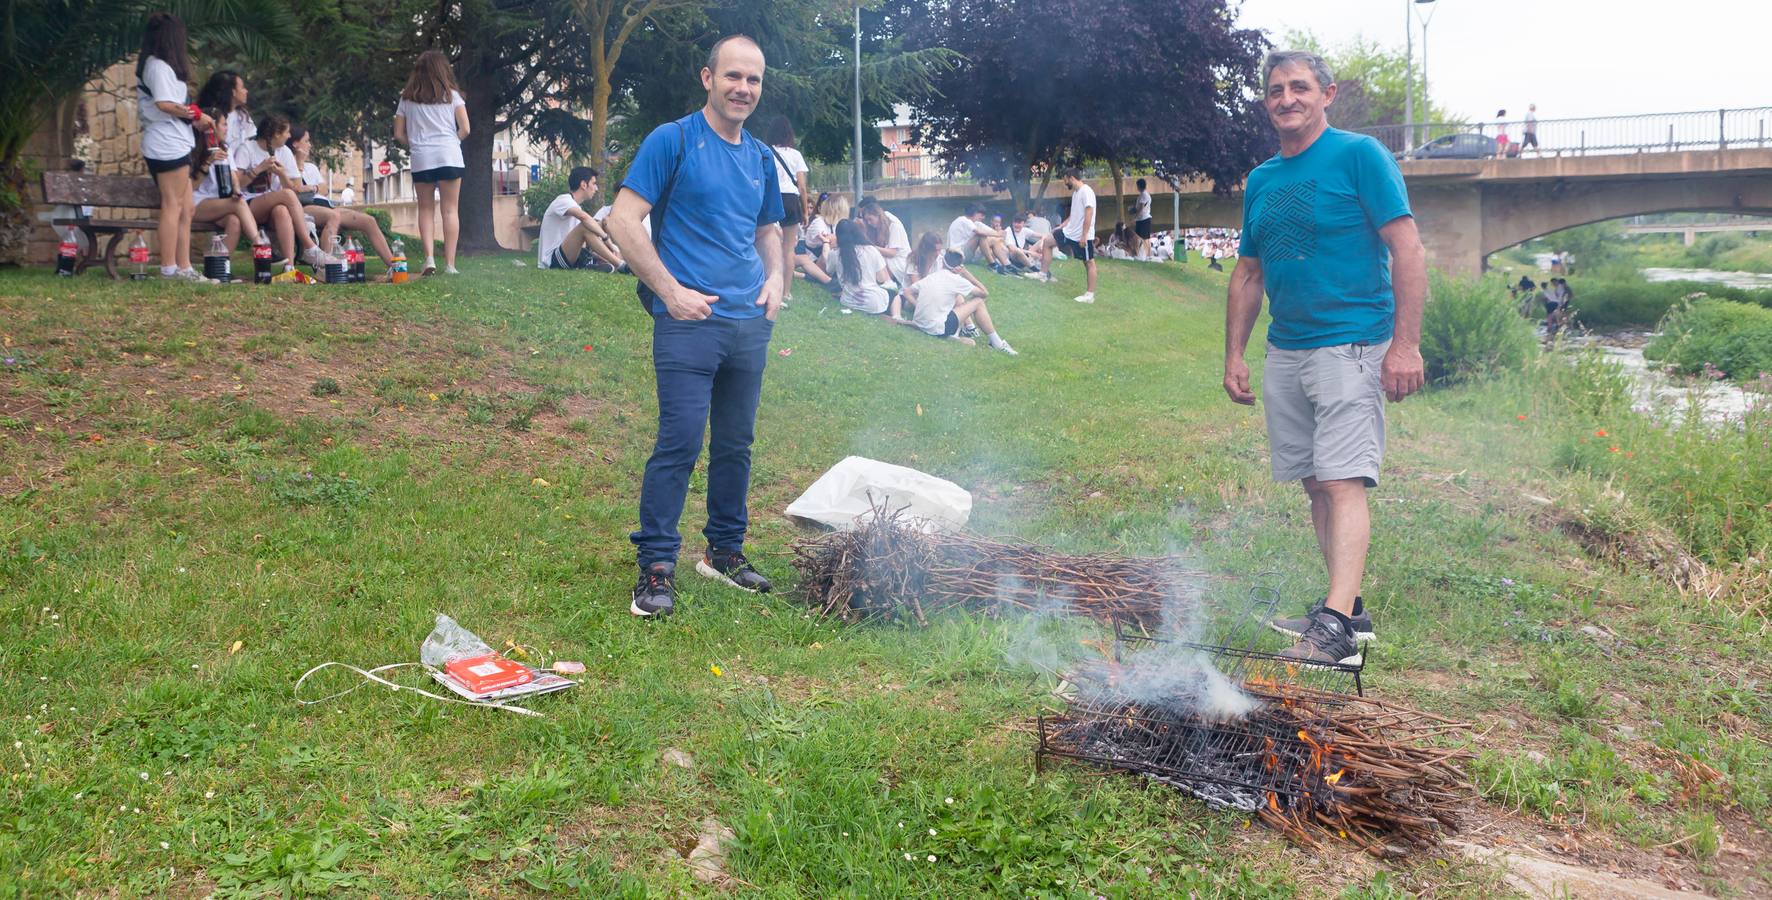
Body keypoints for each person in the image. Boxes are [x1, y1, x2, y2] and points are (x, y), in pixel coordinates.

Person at [1223, 50, 1426, 667]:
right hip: (1288, 347)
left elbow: (1407, 248)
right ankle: (1350, 609)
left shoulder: (1360, 155)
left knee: (1342, 479)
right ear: (1267, 102)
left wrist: (1406, 343)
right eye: (1277, 90)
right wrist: (1234, 352)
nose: (1288, 98)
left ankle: (1335, 627)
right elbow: (1249, 273)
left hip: (1353, 342)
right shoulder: (1261, 180)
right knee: (1316, 482)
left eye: (1300, 87)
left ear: (1327, 94)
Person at [606, 34, 785, 618]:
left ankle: (724, 552)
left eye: (754, 79)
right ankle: (656, 567)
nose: (744, 88)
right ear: (708, 78)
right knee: (679, 444)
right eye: (733, 76)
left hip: (748, 323)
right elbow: (623, 219)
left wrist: (776, 280)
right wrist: (670, 292)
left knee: (736, 444)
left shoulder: (761, 156)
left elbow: (769, 232)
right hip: (688, 323)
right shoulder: (673, 140)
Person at [136, 12, 212, 282]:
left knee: (187, 207)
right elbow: (164, 104)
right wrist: (196, 116)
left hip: (177, 141)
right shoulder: (157, 67)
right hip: (165, 143)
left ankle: (184, 266)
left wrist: (194, 118)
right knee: (172, 204)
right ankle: (169, 268)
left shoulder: (164, 68)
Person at [395, 50, 469, 276]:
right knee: (450, 210)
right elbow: (465, 128)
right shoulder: (453, 96)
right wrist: (450, 143)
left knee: (425, 209)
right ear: (442, 70)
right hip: (449, 156)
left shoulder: (406, 98)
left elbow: (398, 134)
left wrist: (417, 145)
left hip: (422, 158)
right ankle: (450, 264)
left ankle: (429, 259)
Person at [229, 113, 334, 271]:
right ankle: (309, 246)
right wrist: (258, 169)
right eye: (286, 132)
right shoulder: (248, 149)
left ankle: (289, 267)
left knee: (282, 211)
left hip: (274, 205)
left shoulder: (283, 151)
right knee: (286, 196)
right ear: (276, 134)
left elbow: (295, 188)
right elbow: (236, 184)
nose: (289, 136)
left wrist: (281, 174)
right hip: (248, 205)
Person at [286, 125, 396, 274]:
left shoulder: (310, 167)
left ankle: (393, 266)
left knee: (368, 221)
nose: (309, 144)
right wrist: (298, 164)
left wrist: (312, 187)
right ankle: (324, 267)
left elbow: (324, 189)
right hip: (304, 206)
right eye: (306, 141)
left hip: (324, 204)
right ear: (295, 144)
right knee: (334, 216)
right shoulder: (287, 166)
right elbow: (296, 190)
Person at [904, 250, 1019, 355]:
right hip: (937, 328)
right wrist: (966, 273)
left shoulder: (932, 277)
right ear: (959, 266)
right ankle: (996, 343)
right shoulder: (956, 280)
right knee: (978, 302)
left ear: (943, 263)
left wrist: (918, 306)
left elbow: (907, 292)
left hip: (920, 323)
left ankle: (965, 329)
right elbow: (984, 293)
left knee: (957, 295)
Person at [189, 109, 265, 260]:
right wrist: (208, 162)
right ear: (212, 127)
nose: (227, 128)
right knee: (238, 205)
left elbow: (233, 175)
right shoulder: (193, 150)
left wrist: (236, 189)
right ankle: (259, 245)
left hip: (218, 204)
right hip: (195, 204)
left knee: (234, 220)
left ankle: (222, 267)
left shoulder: (225, 148)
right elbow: (191, 187)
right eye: (224, 125)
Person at [535, 166, 626, 272]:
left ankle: (595, 264)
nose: (596, 188)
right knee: (586, 225)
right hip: (552, 260)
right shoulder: (563, 200)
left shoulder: (576, 207)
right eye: (594, 183)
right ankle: (620, 265)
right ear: (583, 185)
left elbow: (582, 243)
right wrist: (607, 240)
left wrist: (604, 257)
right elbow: (584, 218)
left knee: (604, 221)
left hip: (569, 256)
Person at [764, 116, 810, 302]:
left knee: (768, 244)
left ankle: (770, 285)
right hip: (791, 201)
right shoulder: (795, 155)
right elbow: (802, 187)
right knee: (789, 249)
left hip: (772, 199)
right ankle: (786, 292)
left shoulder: (765, 152)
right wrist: (805, 211)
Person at [1037, 168, 1098, 302]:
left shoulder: (1086, 192)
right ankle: (1043, 274)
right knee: (1047, 241)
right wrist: (1061, 226)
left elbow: (1089, 214)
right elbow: (1074, 215)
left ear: (1070, 177)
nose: (1064, 183)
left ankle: (1089, 295)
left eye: (1064, 179)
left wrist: (1084, 235)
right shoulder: (1076, 193)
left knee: (1089, 262)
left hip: (1081, 235)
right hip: (1069, 232)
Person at [832, 218, 898, 315]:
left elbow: (828, 268)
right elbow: (882, 278)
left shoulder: (836, 253)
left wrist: (826, 244)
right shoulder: (871, 250)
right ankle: (897, 316)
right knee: (895, 295)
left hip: (848, 300)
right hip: (873, 303)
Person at [946, 202, 1018, 275]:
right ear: (974, 213)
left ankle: (1007, 265)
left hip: (966, 253)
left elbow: (991, 232)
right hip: (957, 255)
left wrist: (1000, 232)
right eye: (981, 215)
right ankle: (992, 265)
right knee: (980, 236)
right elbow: (979, 231)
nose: (983, 217)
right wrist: (998, 234)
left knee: (993, 240)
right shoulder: (963, 220)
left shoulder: (976, 223)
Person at [857, 197, 912, 286]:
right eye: (866, 219)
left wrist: (872, 248)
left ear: (877, 214)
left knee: (879, 260)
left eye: (870, 219)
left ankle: (885, 285)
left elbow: (892, 253)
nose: (868, 222)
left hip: (899, 261)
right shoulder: (873, 225)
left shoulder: (893, 225)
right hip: (887, 259)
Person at [196, 70, 253, 155]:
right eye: (242, 87)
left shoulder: (243, 115)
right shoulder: (211, 116)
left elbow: (252, 139)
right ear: (232, 92)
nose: (246, 91)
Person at [1133, 177, 1154, 259]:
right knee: (1145, 237)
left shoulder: (1143, 195)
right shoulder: (1144, 195)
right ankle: (1146, 255)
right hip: (1143, 218)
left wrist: (1135, 217)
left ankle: (1147, 255)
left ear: (1139, 186)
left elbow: (1141, 208)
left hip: (1143, 219)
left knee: (1144, 238)